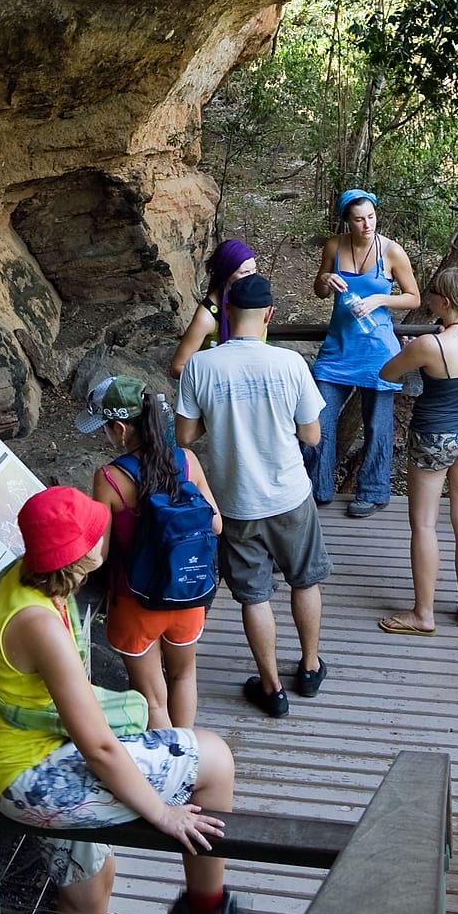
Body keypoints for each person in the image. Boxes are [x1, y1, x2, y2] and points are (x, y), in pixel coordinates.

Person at [0, 486, 270, 914]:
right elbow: (99, 749)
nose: (103, 533)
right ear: (83, 554)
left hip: (14, 747)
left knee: (93, 884)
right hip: (30, 772)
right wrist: (161, 813)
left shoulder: (28, 578)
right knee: (214, 759)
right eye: (95, 532)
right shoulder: (39, 624)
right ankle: (205, 902)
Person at [176, 273, 331, 717]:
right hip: (289, 495)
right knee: (305, 579)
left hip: (233, 503)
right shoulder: (289, 364)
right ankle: (309, 665)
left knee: (254, 595)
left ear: (225, 314)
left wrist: (220, 416)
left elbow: (185, 436)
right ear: (269, 315)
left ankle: (272, 689)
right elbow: (313, 435)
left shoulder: (201, 367)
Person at [79, 376, 223, 730]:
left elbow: (101, 552)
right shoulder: (186, 461)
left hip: (135, 602)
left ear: (120, 427)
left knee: (152, 698)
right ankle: (187, 763)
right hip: (187, 593)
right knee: (184, 677)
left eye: (106, 430)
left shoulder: (110, 478)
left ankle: (164, 775)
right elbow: (216, 525)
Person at [374, 267, 458, 634]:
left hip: (435, 435)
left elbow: (388, 374)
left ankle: (423, 614)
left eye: (432, 296)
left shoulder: (430, 345)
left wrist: (410, 351)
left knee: (425, 524)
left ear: (445, 302)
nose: (428, 300)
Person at [309, 189, 420, 517]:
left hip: (377, 350)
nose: (367, 224)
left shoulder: (392, 252)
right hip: (338, 347)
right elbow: (318, 291)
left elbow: (413, 297)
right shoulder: (334, 246)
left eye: (371, 216)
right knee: (319, 419)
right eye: (359, 219)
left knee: (377, 425)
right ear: (348, 220)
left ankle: (373, 492)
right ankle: (319, 488)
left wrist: (380, 300)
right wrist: (326, 278)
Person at [170, 239, 258, 379]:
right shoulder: (207, 316)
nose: (253, 278)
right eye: (245, 272)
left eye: (254, 270)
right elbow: (177, 367)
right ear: (226, 275)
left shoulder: (258, 299)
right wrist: (217, 379)